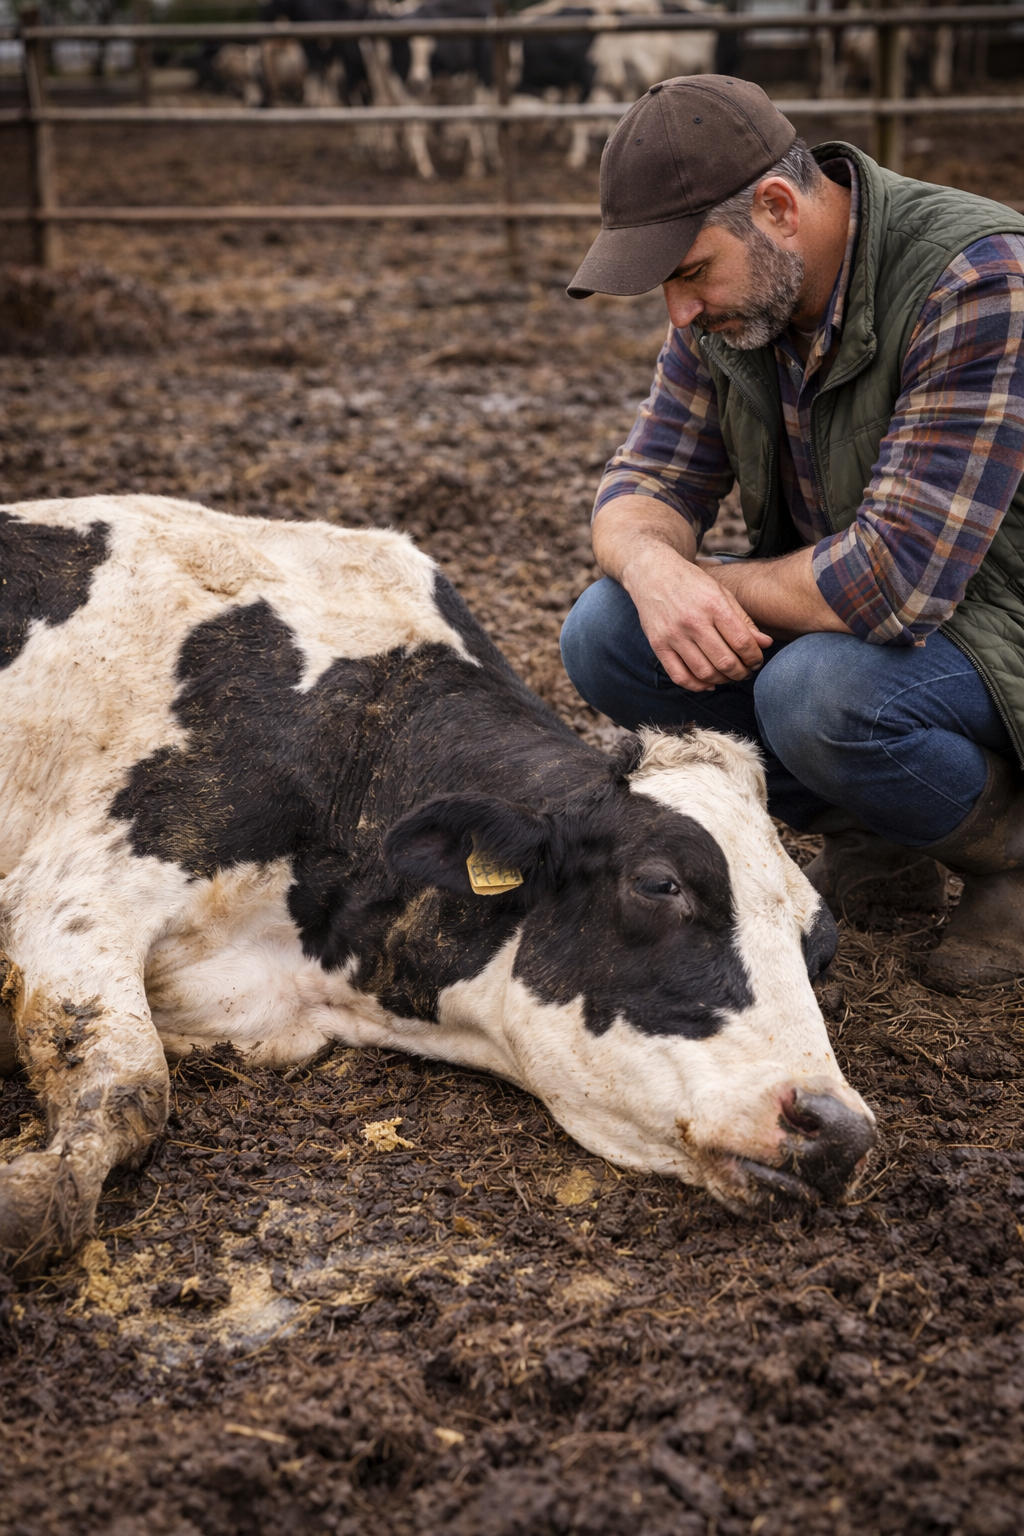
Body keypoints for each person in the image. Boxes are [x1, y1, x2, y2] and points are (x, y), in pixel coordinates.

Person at [559, 75, 1024, 993]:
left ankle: (1012, 854)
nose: (678, 313)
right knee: (609, 633)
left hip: (997, 620)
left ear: (777, 208)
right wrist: (656, 569)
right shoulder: (736, 309)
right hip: (889, 630)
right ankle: (877, 847)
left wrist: (707, 585)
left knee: (819, 693)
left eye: (689, 273)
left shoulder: (979, 277)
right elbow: (643, 483)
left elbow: (888, 585)